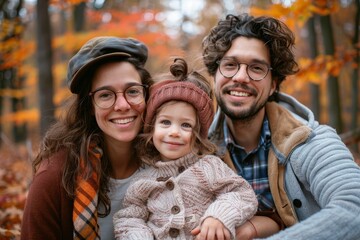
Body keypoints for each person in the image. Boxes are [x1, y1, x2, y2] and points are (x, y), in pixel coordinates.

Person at [201, 13, 360, 239]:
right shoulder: (197, 150)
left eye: (256, 68)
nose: (241, 77)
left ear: (274, 84)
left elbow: (355, 206)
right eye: (230, 65)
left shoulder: (311, 141)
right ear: (215, 75)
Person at [21, 36, 153, 240]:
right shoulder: (54, 178)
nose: (122, 105)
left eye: (133, 91)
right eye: (105, 95)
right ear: (89, 106)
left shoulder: (169, 162)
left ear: (146, 94)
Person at [113, 58, 258, 240]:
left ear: (197, 135)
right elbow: (129, 218)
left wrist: (218, 216)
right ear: (152, 128)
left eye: (186, 125)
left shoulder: (208, 167)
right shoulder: (142, 180)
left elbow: (241, 193)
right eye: (165, 122)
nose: (174, 132)